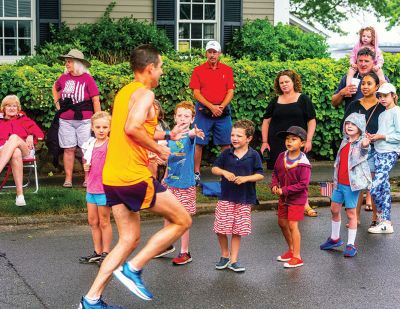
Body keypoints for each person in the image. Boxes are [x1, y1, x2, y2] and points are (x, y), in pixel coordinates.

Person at [79, 45, 192, 309]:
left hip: (113, 176)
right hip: (133, 175)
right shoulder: (145, 93)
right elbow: (131, 129)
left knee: (128, 239)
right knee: (182, 219)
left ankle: (91, 300)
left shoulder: (125, 93)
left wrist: (167, 135)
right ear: (150, 68)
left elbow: (129, 128)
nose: (162, 71)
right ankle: (134, 268)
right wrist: (158, 149)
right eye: (161, 67)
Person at [260, 69, 317, 216]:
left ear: (293, 82)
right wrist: (265, 142)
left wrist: (308, 140)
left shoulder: (303, 99)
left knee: (299, 174)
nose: (284, 84)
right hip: (278, 142)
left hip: (298, 142)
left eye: (287, 81)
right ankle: (286, 202)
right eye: (281, 82)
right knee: (281, 173)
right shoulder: (275, 101)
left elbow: (312, 120)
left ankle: (305, 204)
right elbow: (266, 122)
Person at [155, 101, 205, 265]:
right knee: (168, 215)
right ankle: (165, 245)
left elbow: (191, 135)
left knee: (183, 218)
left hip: (185, 184)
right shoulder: (170, 135)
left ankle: (185, 252)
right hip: (170, 182)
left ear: (192, 119)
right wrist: (165, 175)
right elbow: (170, 159)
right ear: (175, 117)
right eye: (180, 115)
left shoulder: (190, 136)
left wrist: (195, 132)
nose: (183, 118)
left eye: (187, 116)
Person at [211, 119, 264, 273]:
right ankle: (224, 255)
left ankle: (234, 260)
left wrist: (246, 179)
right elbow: (214, 168)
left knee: (237, 230)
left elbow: (260, 174)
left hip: (244, 199)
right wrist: (223, 172)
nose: (234, 138)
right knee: (220, 228)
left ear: (249, 138)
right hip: (226, 197)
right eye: (233, 135)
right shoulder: (226, 153)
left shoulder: (254, 155)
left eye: (239, 136)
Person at [320, 113, 371, 257]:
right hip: (338, 183)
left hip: (351, 185)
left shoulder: (361, 143)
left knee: (350, 213)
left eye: (353, 124)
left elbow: (364, 150)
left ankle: (351, 245)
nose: (349, 126)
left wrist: (366, 144)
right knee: (334, 209)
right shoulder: (344, 141)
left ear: (360, 128)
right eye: (347, 123)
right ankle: (335, 239)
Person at [51, 49, 101, 188]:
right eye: (66, 61)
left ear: (78, 63)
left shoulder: (87, 79)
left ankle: (87, 179)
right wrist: (57, 103)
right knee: (68, 149)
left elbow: (95, 100)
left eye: (69, 61)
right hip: (66, 120)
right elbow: (54, 88)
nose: (67, 64)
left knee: (86, 149)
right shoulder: (64, 77)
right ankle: (68, 179)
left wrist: (98, 120)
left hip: (84, 120)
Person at [189, 40, 235, 185]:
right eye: (210, 52)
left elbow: (230, 91)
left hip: (222, 112)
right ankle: (196, 174)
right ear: (206, 53)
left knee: (226, 143)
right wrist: (211, 107)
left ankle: (225, 174)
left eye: (215, 52)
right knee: (198, 143)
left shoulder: (227, 70)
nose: (212, 55)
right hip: (203, 111)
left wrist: (220, 107)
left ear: (219, 54)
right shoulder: (198, 70)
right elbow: (196, 93)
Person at [343, 72, 385, 227]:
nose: (365, 87)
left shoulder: (383, 106)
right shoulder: (354, 105)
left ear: (377, 86)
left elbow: (388, 128)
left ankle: (376, 217)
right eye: (363, 84)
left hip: (376, 150)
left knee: (373, 185)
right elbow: (346, 126)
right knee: (357, 185)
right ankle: (356, 218)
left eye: (369, 83)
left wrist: (377, 136)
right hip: (357, 150)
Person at [271, 126, 311, 268]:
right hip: (284, 198)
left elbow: (303, 185)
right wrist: (274, 185)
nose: (289, 142)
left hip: (297, 199)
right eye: (287, 139)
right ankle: (291, 249)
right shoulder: (282, 156)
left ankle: (297, 257)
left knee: (293, 225)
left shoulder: (304, 164)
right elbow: (275, 172)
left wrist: (285, 190)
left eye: (294, 139)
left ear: (302, 143)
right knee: (282, 223)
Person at [79, 111, 112, 266]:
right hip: (91, 187)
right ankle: (97, 252)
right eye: (98, 127)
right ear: (92, 127)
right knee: (93, 221)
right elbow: (88, 163)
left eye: (105, 127)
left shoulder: (110, 145)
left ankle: (106, 253)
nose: (101, 130)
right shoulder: (90, 144)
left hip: (104, 188)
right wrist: (86, 166)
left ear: (110, 128)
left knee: (104, 221)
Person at [367, 83, 400, 234]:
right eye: (380, 96)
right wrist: (374, 138)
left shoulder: (397, 111)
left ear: (393, 95)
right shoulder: (382, 114)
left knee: (375, 187)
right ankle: (385, 222)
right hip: (379, 152)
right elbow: (382, 134)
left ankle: (384, 220)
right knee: (384, 188)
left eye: (385, 96)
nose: (382, 99)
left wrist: (381, 136)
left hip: (390, 153)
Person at [0, 95, 44, 206]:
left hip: (25, 149)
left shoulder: (24, 119)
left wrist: (30, 135)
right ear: (3, 108)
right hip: (3, 150)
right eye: (8, 106)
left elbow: (40, 134)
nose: (11, 108)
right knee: (15, 152)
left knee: (14, 137)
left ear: (18, 108)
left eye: (14, 106)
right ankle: (20, 195)